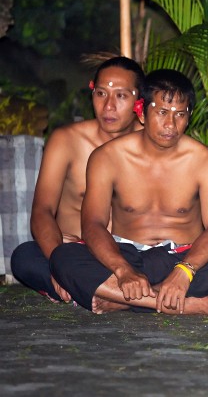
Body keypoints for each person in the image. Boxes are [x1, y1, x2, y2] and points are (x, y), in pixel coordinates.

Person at [49, 69, 208, 316]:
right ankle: (180, 304)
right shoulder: (107, 157)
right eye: (162, 112)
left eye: (180, 114)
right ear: (142, 113)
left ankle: (125, 300)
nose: (170, 124)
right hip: (126, 254)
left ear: (189, 116)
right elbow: (93, 224)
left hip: (182, 255)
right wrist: (123, 271)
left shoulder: (205, 161)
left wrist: (184, 271)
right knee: (63, 257)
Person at [11, 56, 145, 303]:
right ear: (91, 92)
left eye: (121, 96)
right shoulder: (67, 141)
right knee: (24, 257)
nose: (108, 107)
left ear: (139, 102)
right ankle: (117, 296)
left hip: (131, 256)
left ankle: (102, 294)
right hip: (76, 255)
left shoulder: (152, 145)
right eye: (101, 94)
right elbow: (42, 210)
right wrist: (57, 262)